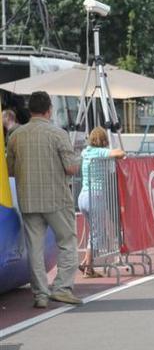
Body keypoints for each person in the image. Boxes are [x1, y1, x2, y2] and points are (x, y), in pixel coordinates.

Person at [5, 91, 82, 308]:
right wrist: (76, 159)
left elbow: (10, 170)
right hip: (57, 198)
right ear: (49, 110)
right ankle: (62, 288)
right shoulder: (58, 134)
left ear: (30, 110)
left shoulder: (16, 136)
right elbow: (71, 167)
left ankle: (40, 294)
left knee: (35, 248)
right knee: (67, 242)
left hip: (28, 200)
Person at [77, 126, 125, 277]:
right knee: (97, 234)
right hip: (96, 196)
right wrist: (113, 153)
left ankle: (87, 264)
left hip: (83, 196)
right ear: (104, 140)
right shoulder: (100, 152)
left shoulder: (85, 152)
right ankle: (87, 266)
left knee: (94, 232)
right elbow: (120, 153)